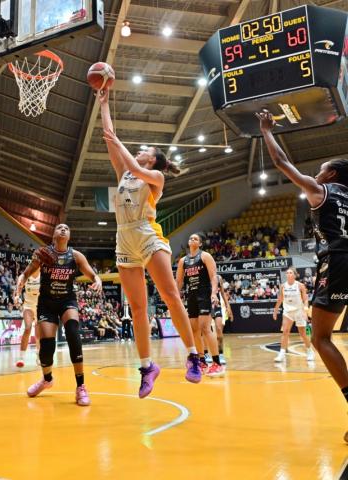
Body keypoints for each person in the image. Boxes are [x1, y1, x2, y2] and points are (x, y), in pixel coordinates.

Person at [98, 88, 202, 398]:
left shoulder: (154, 177)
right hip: (123, 236)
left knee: (171, 295)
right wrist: (104, 103)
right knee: (137, 308)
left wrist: (119, 144)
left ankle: (193, 356)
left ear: (154, 160)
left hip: (147, 233)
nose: (142, 150)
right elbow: (108, 135)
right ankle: (147, 367)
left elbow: (135, 165)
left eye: (147, 150)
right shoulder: (123, 175)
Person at [258, 110, 348, 440]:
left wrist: (267, 131)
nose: (317, 173)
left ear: (332, 173)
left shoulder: (322, 191)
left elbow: (283, 163)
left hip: (338, 261)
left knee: (320, 337)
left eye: (322, 170)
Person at [18, 224, 102, 406]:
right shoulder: (43, 254)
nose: (63, 229)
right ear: (54, 235)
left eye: (67, 228)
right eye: (59, 228)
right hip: (46, 303)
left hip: (67, 301)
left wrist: (97, 280)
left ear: (69, 236)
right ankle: (47, 379)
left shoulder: (76, 256)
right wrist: (21, 280)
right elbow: (26, 273)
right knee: (47, 348)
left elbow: (92, 274)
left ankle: (81, 387)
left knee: (73, 332)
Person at [176, 234, 225, 377]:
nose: (192, 240)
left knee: (205, 328)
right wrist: (175, 297)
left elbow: (213, 276)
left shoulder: (205, 256)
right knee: (194, 330)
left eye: (196, 239)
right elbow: (179, 281)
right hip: (191, 296)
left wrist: (214, 293)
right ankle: (201, 361)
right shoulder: (182, 261)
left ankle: (217, 363)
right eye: (190, 238)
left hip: (204, 295)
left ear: (200, 244)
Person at [272, 267, 315, 363]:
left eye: (291, 272)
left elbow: (305, 299)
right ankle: (282, 353)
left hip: (299, 311)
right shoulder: (283, 286)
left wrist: (305, 311)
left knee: (302, 334)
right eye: (287, 273)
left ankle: (309, 351)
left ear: (295, 275)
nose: (288, 274)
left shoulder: (300, 286)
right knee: (285, 332)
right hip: (287, 312)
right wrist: (275, 311)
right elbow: (280, 299)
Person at [14, 269, 41, 368]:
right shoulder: (24, 275)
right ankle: (21, 358)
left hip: (40, 306)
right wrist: (17, 296)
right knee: (28, 328)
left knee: (39, 334)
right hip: (28, 305)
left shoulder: (44, 274)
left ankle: (38, 356)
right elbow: (18, 288)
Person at [212, 274, 233, 364]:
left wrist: (228, 307)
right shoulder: (202, 276)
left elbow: (223, 294)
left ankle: (220, 354)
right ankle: (206, 354)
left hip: (217, 306)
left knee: (219, 332)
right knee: (206, 333)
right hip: (205, 306)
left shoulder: (218, 278)